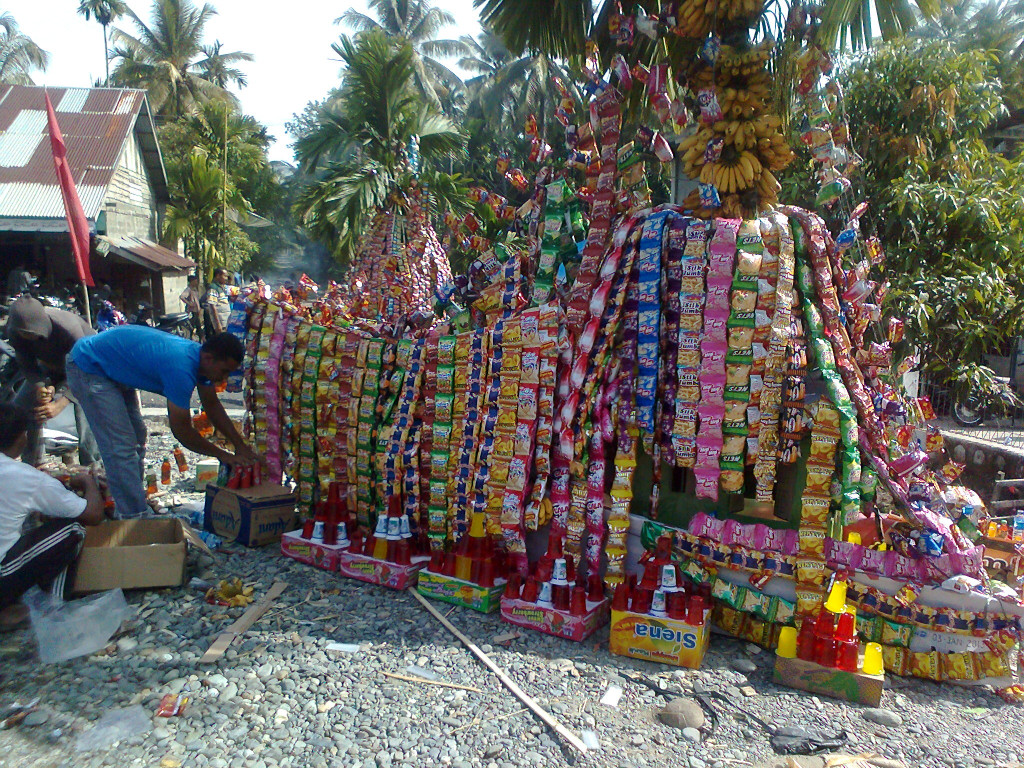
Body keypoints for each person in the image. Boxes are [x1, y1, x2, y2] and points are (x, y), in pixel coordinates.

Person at [66, 327, 260, 519]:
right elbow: (182, 430)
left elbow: (212, 405)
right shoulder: (181, 369)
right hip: (89, 366)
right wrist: (222, 455)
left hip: (112, 364)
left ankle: (131, 504)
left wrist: (240, 446)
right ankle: (133, 517)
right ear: (210, 358)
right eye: (224, 371)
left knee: (136, 439)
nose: (224, 378)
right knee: (120, 446)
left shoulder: (202, 362)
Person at [0, 403, 104, 629]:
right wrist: (88, 482)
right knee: (73, 528)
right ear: (22, 438)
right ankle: (49, 605)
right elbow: (93, 514)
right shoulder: (24, 476)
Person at [5, 296, 99, 466]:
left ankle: (92, 466)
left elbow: (86, 371)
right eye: (24, 334)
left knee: (86, 409)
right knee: (22, 407)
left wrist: (60, 404)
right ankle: (32, 463)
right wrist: (41, 387)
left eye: (32, 334)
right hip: (51, 366)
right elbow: (27, 366)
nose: (28, 337)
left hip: (88, 367)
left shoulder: (68, 329)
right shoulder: (14, 331)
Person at [203, 267, 232, 337]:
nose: (226, 278)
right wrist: (218, 324)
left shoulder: (221, 287)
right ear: (218, 275)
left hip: (225, 322)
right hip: (220, 323)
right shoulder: (213, 288)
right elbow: (213, 307)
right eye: (225, 276)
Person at [179, 274, 203, 341]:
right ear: (191, 281)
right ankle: (189, 339)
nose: (196, 282)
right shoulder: (188, 289)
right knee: (191, 327)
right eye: (195, 281)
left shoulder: (195, 290)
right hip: (191, 312)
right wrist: (189, 303)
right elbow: (182, 297)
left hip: (196, 311)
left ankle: (201, 340)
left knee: (198, 326)